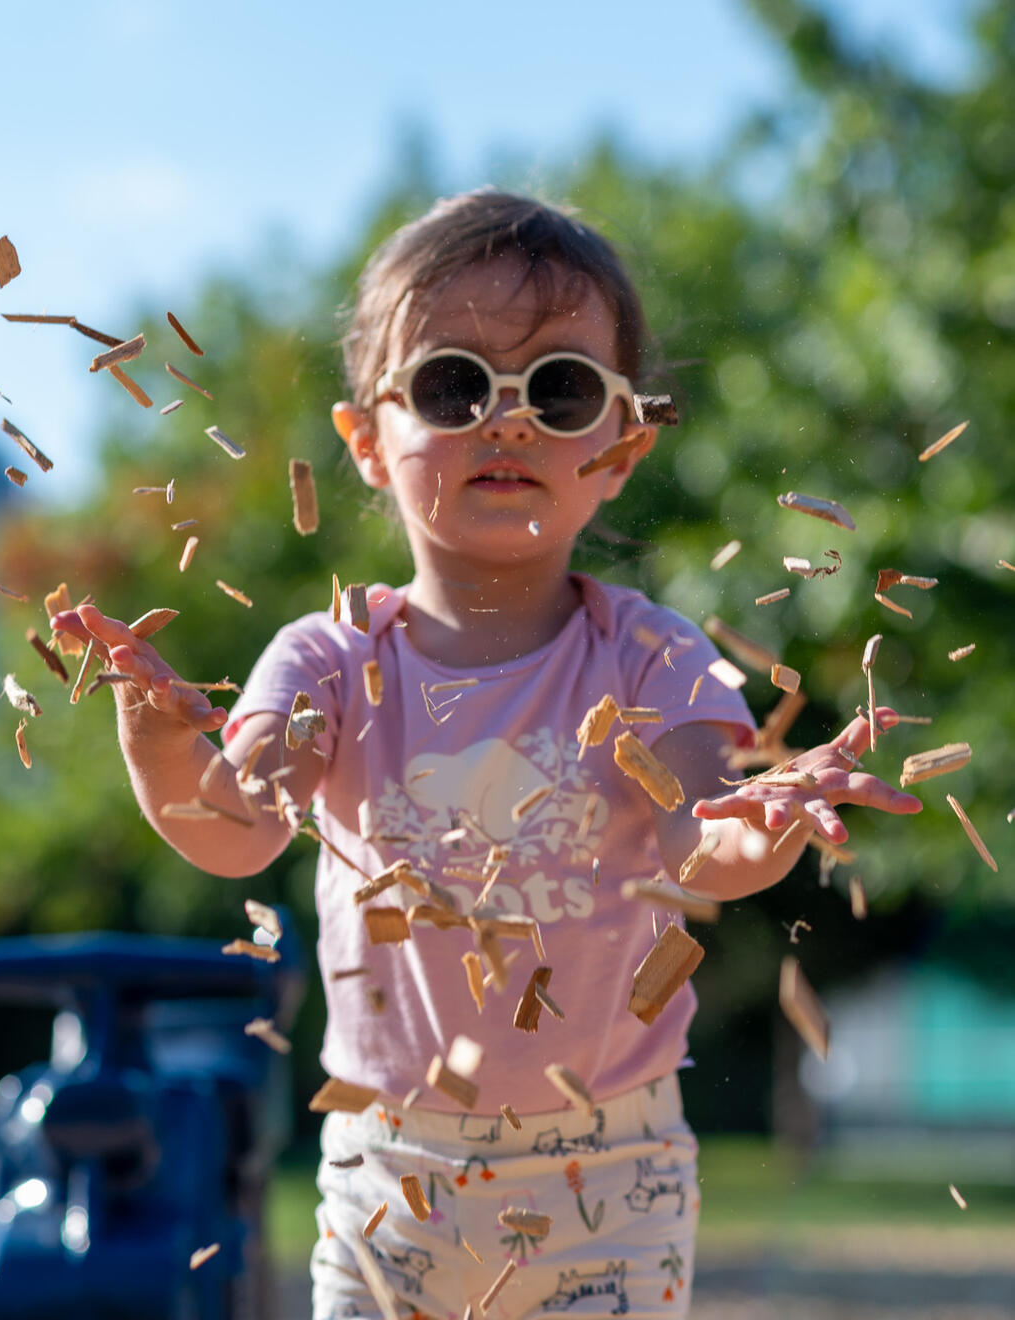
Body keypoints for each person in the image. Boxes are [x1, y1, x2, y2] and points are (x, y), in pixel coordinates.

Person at [53, 189, 921, 1320]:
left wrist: (759, 825)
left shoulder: (655, 657)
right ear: (366, 437)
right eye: (453, 384)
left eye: (560, 391)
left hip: (610, 1180)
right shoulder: (323, 659)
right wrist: (162, 743)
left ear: (620, 446)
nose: (505, 420)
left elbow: (698, 835)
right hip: (386, 1183)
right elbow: (237, 827)